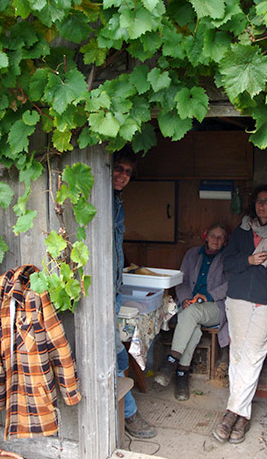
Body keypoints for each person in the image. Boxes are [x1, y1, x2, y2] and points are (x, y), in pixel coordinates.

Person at [213, 185, 267, 445]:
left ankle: (231, 414)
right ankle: (242, 417)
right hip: (238, 298)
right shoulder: (242, 230)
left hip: (265, 301)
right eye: (259, 201)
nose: (262, 205)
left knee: (252, 356)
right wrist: (248, 261)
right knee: (238, 354)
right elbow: (227, 263)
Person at [154, 223, 229, 401]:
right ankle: (181, 374)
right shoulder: (192, 254)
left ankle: (171, 361)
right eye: (212, 235)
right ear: (206, 236)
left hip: (215, 307)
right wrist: (187, 298)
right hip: (190, 305)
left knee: (191, 314)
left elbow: (230, 285)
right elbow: (182, 280)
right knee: (192, 324)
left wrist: (208, 296)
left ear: (225, 242)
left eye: (220, 237)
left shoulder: (227, 258)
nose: (216, 240)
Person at [112, 149, 157, 439]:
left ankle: (125, 413)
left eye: (128, 172)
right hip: (98, 291)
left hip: (114, 287)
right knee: (115, 354)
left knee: (119, 353)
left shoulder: (117, 203)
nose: (123, 175)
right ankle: (128, 415)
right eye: (119, 168)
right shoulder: (100, 200)